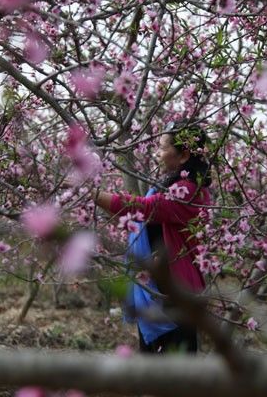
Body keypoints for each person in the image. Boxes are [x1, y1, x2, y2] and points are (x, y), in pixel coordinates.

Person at [91, 120, 212, 353]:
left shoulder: (188, 191)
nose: (157, 153)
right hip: (158, 288)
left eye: (162, 147)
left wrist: (92, 193)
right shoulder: (172, 185)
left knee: (176, 371)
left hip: (176, 293)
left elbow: (144, 208)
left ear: (184, 154)